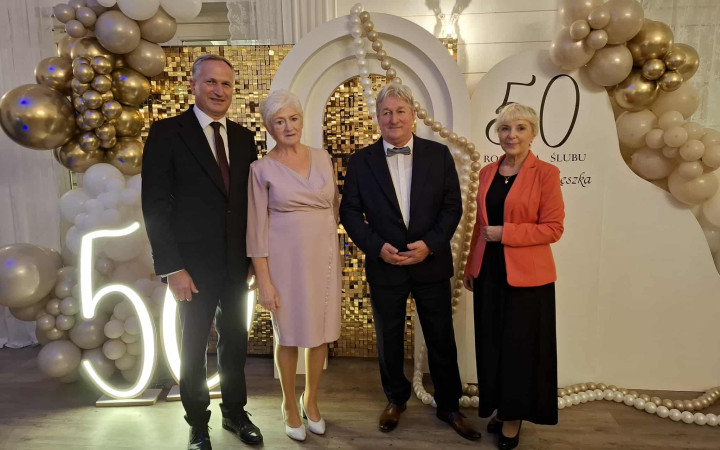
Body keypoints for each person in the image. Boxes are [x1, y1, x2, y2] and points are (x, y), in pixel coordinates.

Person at [339, 83, 480, 441]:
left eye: (400, 111)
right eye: (386, 112)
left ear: (413, 115)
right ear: (377, 118)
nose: (393, 119)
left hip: (430, 262)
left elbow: (452, 207)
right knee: (389, 338)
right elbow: (349, 212)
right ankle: (395, 399)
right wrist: (377, 248)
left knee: (441, 337)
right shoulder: (361, 161)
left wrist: (429, 245)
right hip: (385, 264)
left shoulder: (439, 154)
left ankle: (449, 405)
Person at [142, 54, 263, 450]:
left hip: (236, 263)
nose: (218, 90)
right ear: (193, 85)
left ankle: (235, 413)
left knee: (235, 342)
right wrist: (172, 267)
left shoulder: (244, 138)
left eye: (226, 84)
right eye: (211, 82)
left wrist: (253, 259)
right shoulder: (167, 133)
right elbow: (154, 205)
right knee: (192, 347)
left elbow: (248, 205)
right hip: (190, 267)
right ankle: (197, 423)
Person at [463, 103, 565, 450]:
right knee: (491, 344)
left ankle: (514, 416)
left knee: (520, 348)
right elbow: (480, 225)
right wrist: (471, 266)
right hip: (488, 271)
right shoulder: (487, 173)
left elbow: (553, 228)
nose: (512, 135)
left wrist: (506, 233)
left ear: (533, 133)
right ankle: (500, 407)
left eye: (520, 128)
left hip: (528, 279)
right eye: (505, 128)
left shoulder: (546, 173)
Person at [247, 89, 341, 442]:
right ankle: (289, 403)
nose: (288, 127)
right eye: (279, 121)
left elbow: (333, 209)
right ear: (269, 127)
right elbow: (256, 228)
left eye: (294, 119)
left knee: (320, 333)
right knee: (287, 335)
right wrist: (264, 280)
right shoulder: (260, 169)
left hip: (323, 259)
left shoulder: (323, 157)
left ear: (302, 120)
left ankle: (310, 399)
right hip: (284, 264)